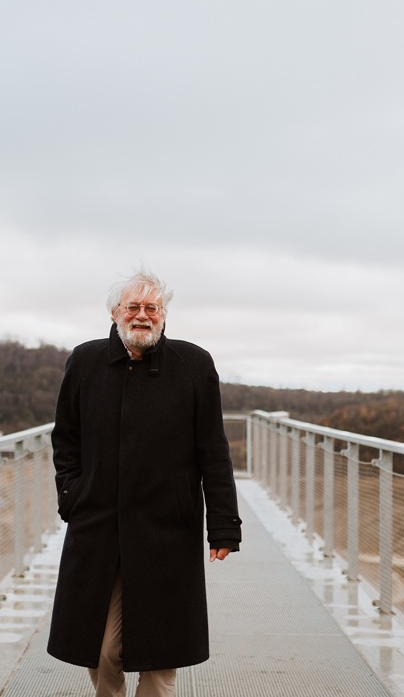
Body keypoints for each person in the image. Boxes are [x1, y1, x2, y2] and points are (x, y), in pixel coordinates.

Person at [47, 269, 242, 697]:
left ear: (164, 315)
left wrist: (224, 524)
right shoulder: (85, 361)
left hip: (167, 530)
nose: (142, 316)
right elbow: (66, 439)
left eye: (151, 308)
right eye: (133, 307)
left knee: (161, 657)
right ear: (116, 313)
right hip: (99, 526)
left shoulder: (193, 364)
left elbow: (213, 448)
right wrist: (72, 496)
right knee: (102, 650)